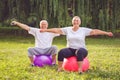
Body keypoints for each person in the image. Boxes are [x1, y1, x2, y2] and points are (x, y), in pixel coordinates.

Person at [40, 16, 113, 74]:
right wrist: (46, 30)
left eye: (77, 20)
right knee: (61, 52)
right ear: (72, 22)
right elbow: (56, 30)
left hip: (82, 49)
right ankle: (59, 68)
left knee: (79, 52)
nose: (76, 22)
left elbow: (95, 31)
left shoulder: (83, 30)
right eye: (74, 20)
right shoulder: (68, 29)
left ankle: (80, 70)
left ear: (80, 22)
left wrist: (106, 33)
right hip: (70, 49)